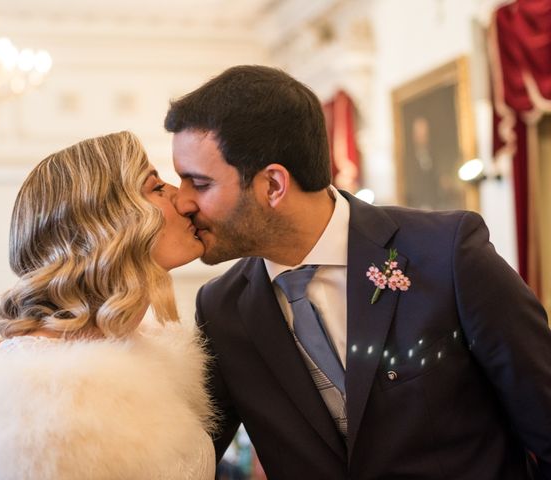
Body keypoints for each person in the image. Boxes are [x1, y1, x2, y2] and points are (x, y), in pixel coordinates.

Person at [164, 65, 551, 479]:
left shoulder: (446, 253)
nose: (182, 201)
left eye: (199, 184)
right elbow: (184, 464)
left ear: (273, 185)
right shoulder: (222, 308)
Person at [0, 131, 215, 480]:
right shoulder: (36, 397)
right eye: (156, 188)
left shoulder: (139, 351)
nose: (184, 201)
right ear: (108, 223)